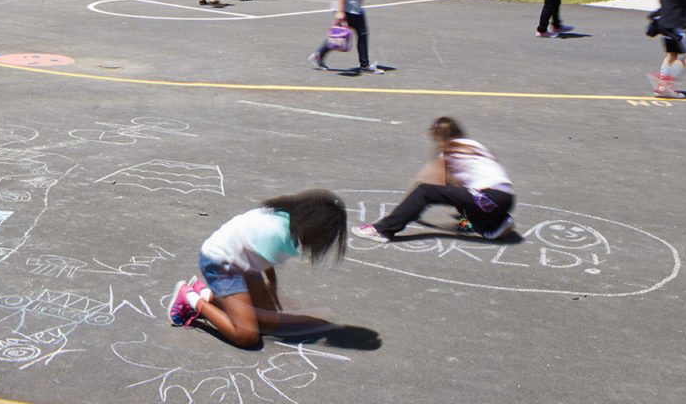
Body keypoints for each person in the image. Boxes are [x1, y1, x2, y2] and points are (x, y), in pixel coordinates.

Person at [168, 189, 348, 348]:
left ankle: (207, 294)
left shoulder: (286, 218)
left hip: (241, 260)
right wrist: (264, 294)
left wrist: (271, 287)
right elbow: (259, 262)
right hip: (220, 262)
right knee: (247, 336)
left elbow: (262, 260)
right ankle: (189, 298)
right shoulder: (277, 233)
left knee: (268, 325)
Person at [353, 118, 516, 242]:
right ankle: (496, 224)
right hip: (505, 197)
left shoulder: (448, 152)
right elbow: (452, 189)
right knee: (460, 202)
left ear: (440, 137)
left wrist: (407, 210)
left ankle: (382, 230)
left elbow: (426, 186)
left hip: (487, 197)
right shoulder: (474, 145)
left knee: (424, 191)